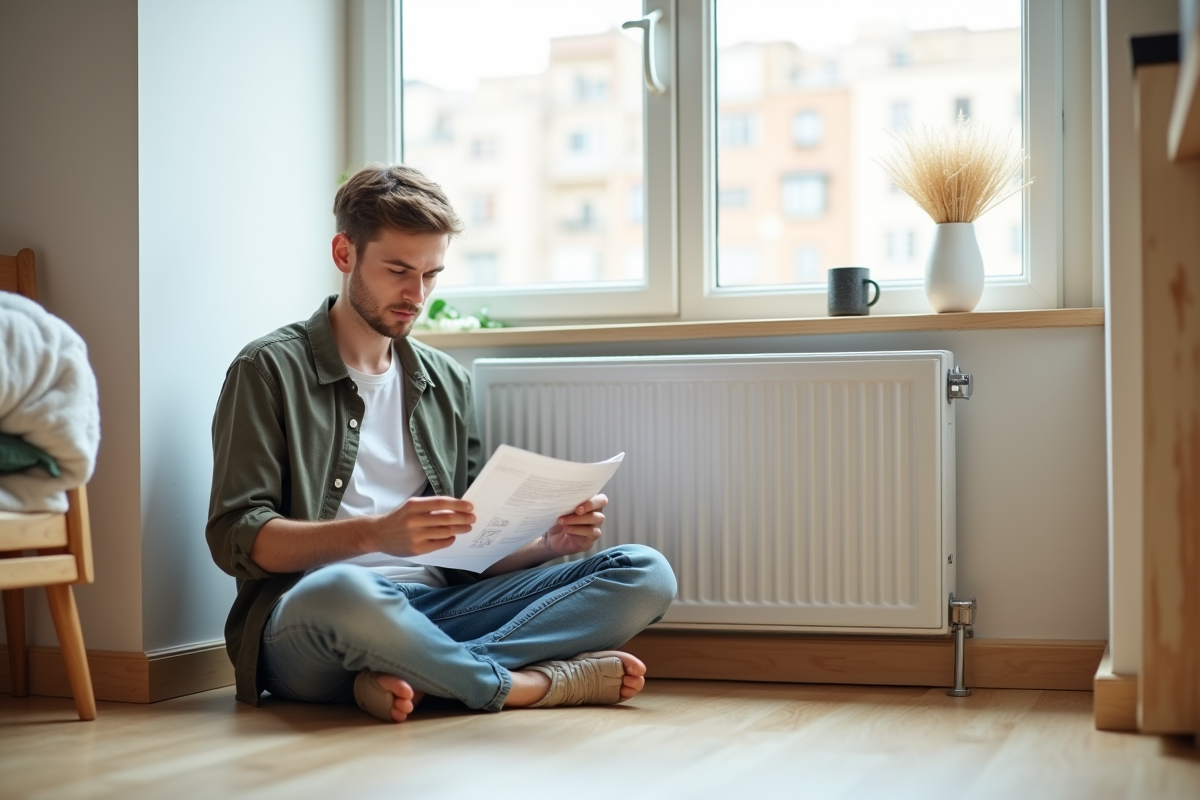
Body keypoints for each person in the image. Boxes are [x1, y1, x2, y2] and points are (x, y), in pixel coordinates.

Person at [206, 164, 677, 723]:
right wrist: (375, 535)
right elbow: (236, 537)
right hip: (315, 619)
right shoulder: (267, 369)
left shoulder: (446, 381)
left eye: (431, 274)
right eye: (399, 270)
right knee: (343, 591)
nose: (416, 294)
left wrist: (545, 544)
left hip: (438, 611)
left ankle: (413, 677)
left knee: (644, 573)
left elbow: (466, 549)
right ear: (344, 254)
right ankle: (525, 685)